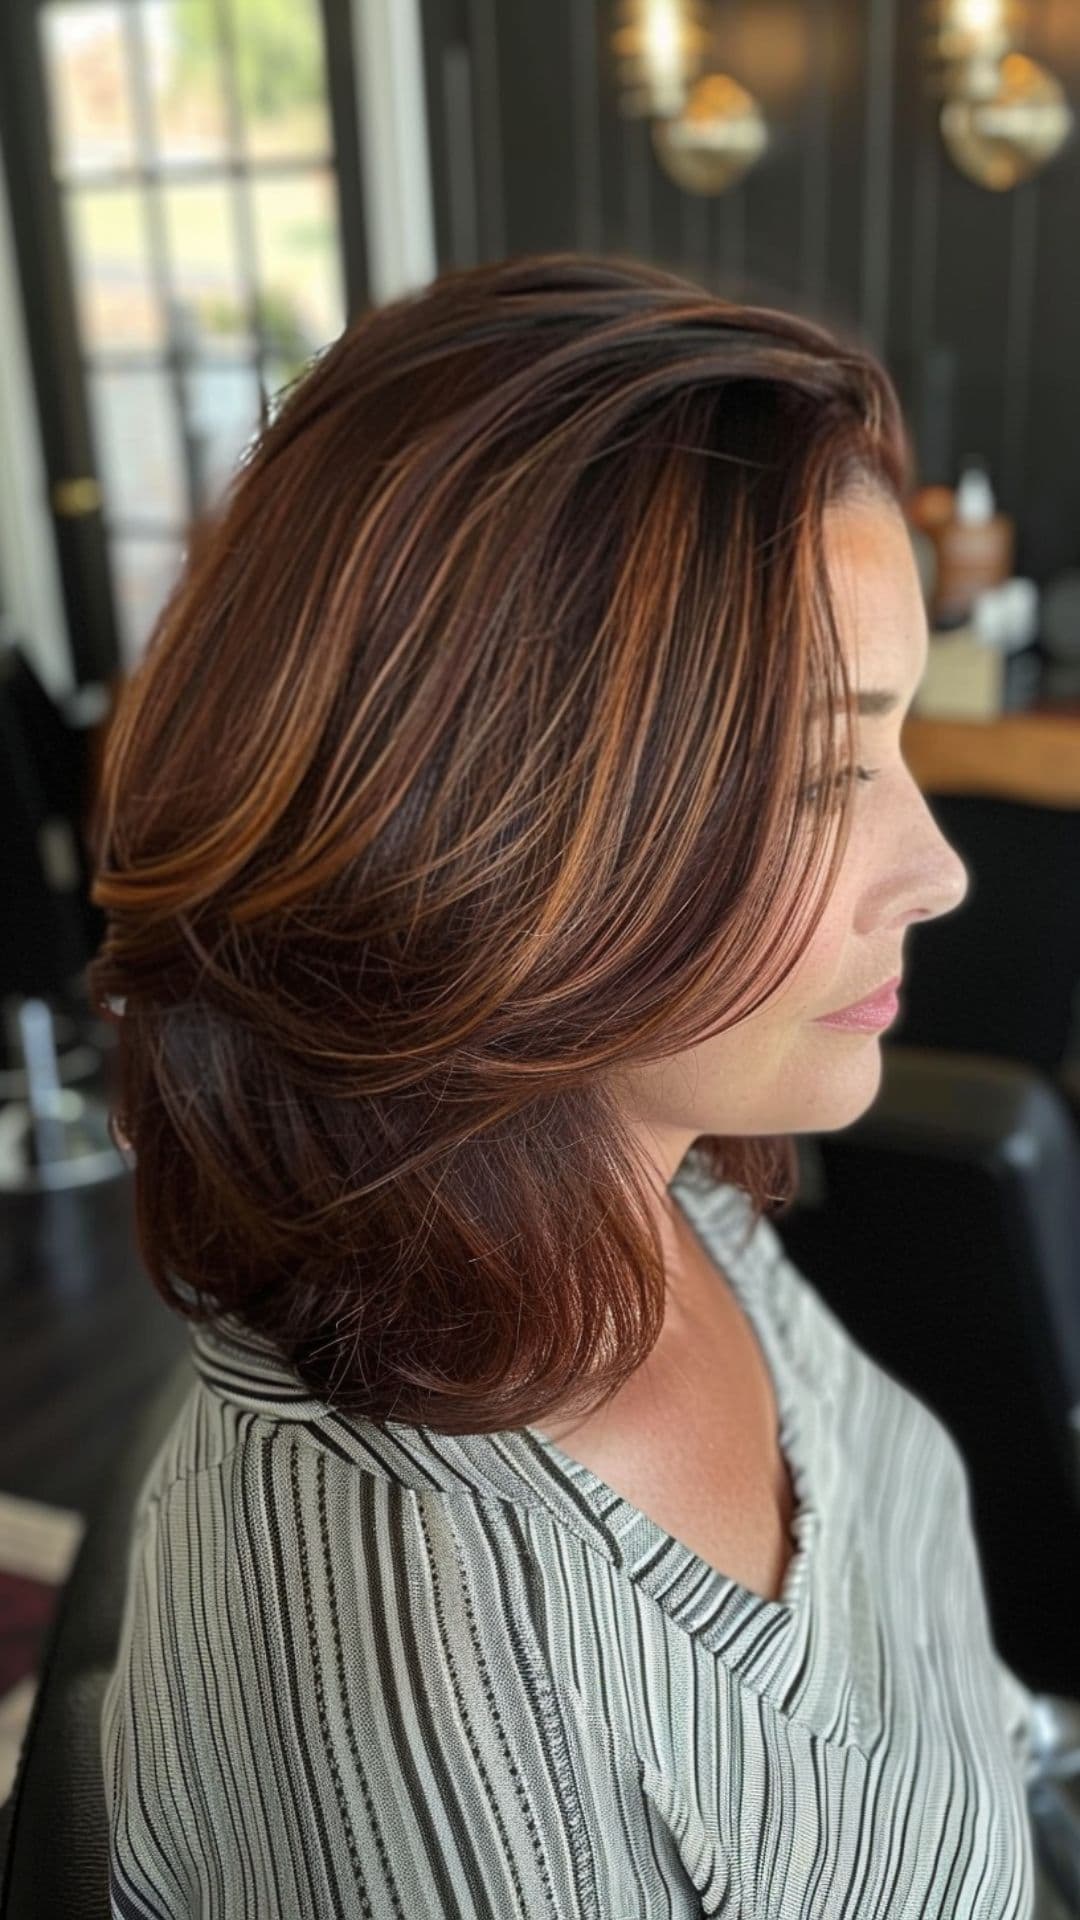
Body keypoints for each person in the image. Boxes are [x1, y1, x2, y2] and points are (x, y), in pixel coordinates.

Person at [89, 250, 1037, 1917]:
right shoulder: (423, 1683)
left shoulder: (648, 1183)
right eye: (825, 770)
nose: (937, 869)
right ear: (495, 830)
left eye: (898, 751)